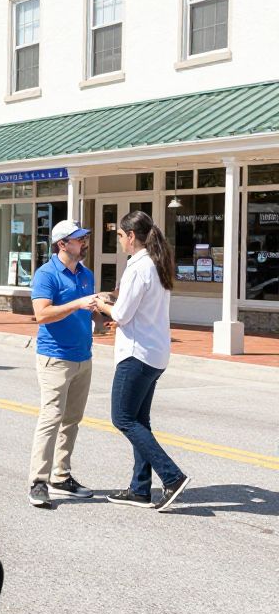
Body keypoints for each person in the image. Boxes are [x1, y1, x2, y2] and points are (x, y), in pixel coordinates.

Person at [95, 210, 191, 512]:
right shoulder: (157, 263)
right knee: (139, 420)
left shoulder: (138, 268)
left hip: (137, 353)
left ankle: (172, 477)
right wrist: (116, 305)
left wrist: (102, 305)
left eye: (121, 236)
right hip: (155, 352)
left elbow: (122, 315)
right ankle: (139, 489)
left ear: (132, 237)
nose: (120, 242)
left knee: (122, 418)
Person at [27, 219, 99, 508]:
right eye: (78, 239)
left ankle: (61, 475)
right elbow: (42, 314)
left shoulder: (86, 274)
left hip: (83, 357)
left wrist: (105, 313)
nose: (83, 243)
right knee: (50, 419)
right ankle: (38, 482)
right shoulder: (46, 275)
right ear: (62, 244)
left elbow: (86, 312)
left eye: (83, 238)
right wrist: (78, 304)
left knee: (72, 420)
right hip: (55, 358)